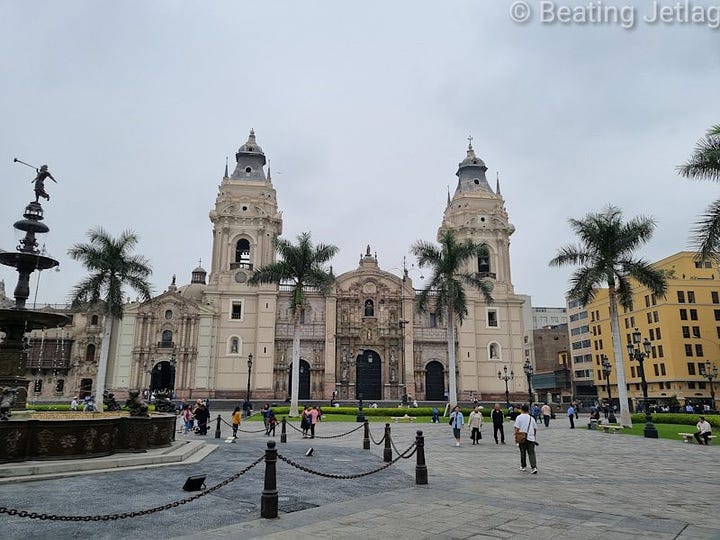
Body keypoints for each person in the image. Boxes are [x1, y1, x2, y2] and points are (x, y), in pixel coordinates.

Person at [514, 404, 538, 474]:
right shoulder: (531, 418)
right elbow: (535, 428)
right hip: (531, 438)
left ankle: (523, 466)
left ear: (521, 409)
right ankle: (534, 467)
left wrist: (516, 438)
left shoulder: (519, 417)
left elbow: (517, 428)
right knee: (531, 453)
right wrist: (534, 436)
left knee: (523, 452)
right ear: (528, 410)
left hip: (522, 438)